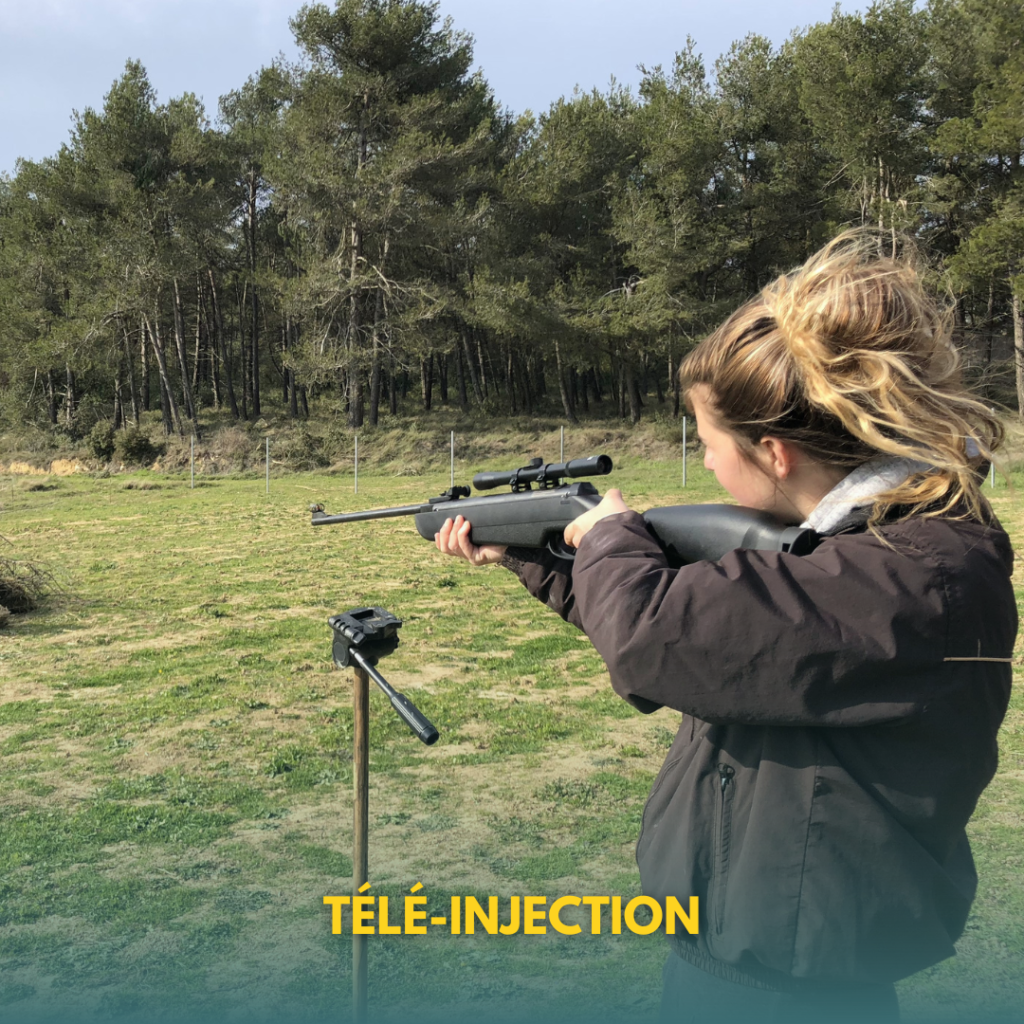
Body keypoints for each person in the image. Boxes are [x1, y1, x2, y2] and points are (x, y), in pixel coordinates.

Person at [434, 232, 1017, 1022]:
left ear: (774, 454)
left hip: (794, 995)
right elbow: (704, 638)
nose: (706, 464)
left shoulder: (908, 576)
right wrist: (532, 556)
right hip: (746, 966)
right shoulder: (866, 555)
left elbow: (652, 636)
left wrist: (609, 536)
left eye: (709, 445)